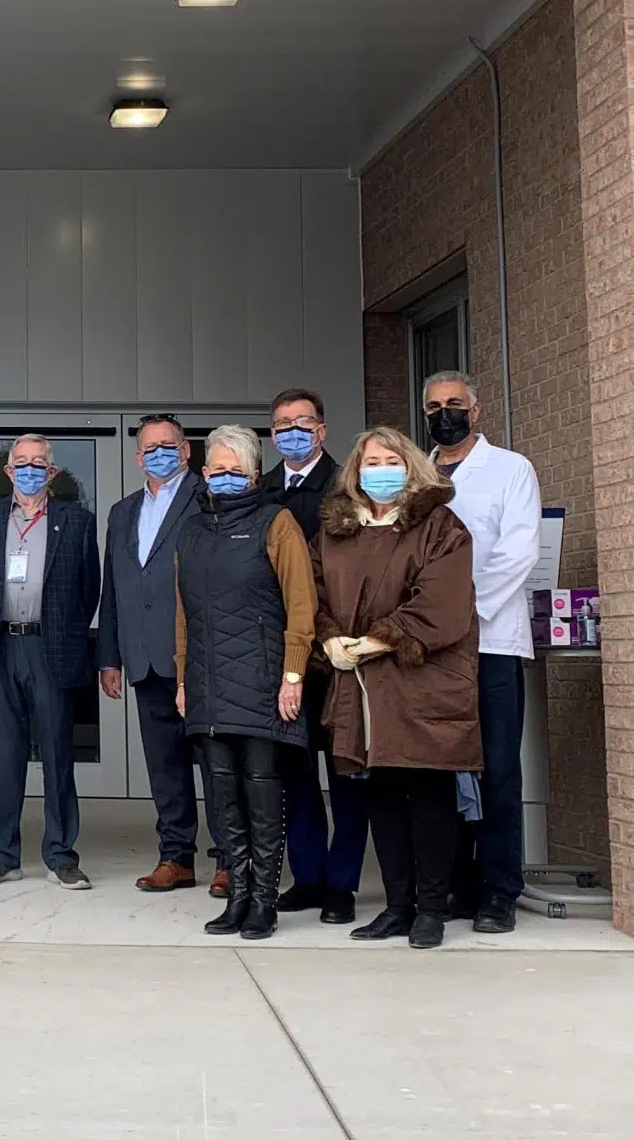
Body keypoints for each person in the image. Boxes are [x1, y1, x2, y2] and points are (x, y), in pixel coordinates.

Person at [312, 427, 482, 950]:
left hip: (421, 678)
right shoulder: (337, 530)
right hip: (360, 685)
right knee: (380, 797)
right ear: (355, 472)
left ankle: (432, 908)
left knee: (429, 794)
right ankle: (397, 905)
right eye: (370, 462)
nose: (379, 470)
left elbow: (443, 602)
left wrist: (383, 638)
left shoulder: (439, 526)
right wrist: (330, 638)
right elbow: (315, 591)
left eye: (390, 460)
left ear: (409, 467)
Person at [173, 425, 316, 942]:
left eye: (237, 471)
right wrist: (184, 675)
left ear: (255, 475)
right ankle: (236, 895)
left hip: (262, 680)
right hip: (208, 681)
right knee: (222, 794)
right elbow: (184, 613)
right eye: (218, 470)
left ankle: (263, 901)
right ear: (204, 473)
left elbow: (302, 606)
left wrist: (293, 673)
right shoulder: (190, 532)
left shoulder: (276, 523)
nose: (225, 478)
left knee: (261, 794)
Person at [421, 371, 542, 934]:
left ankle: (498, 890)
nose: (444, 413)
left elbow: (518, 552)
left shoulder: (511, 470)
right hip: (431, 649)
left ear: (477, 410)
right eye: (434, 406)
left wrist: (465, 613)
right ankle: (454, 885)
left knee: (495, 769)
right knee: (443, 769)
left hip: (490, 640)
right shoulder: (413, 474)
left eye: (454, 404)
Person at [0, 434, 101, 889]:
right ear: (8, 472)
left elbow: (90, 590)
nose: (28, 469)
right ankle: (1, 855)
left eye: (37, 463)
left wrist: (67, 633)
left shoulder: (78, 522)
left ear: (52, 471)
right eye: (20, 463)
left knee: (58, 754)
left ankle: (61, 854)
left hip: (52, 648)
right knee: (0, 757)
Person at [98, 413, 217, 896]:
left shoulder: (207, 499)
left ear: (186, 450)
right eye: (150, 447)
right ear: (137, 456)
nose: (159, 453)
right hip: (145, 657)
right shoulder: (122, 512)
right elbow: (115, 588)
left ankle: (230, 858)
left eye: (168, 445)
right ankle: (176, 857)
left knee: (216, 763)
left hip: (201, 659)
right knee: (164, 766)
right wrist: (109, 656)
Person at [265, 386, 370, 923]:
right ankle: (307, 876)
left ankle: (342, 883)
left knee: (346, 768)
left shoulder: (347, 489)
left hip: (336, 651)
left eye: (301, 423)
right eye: (281, 424)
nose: (291, 432)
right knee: (296, 769)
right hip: (283, 653)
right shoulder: (262, 492)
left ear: (322, 430)